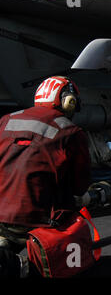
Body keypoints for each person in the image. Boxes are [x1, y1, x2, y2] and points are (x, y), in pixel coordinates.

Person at [0, 76, 90, 274]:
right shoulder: (71, 132)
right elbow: (79, 186)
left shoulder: (7, 120)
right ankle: (27, 266)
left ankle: (5, 248)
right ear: (68, 101)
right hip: (38, 219)